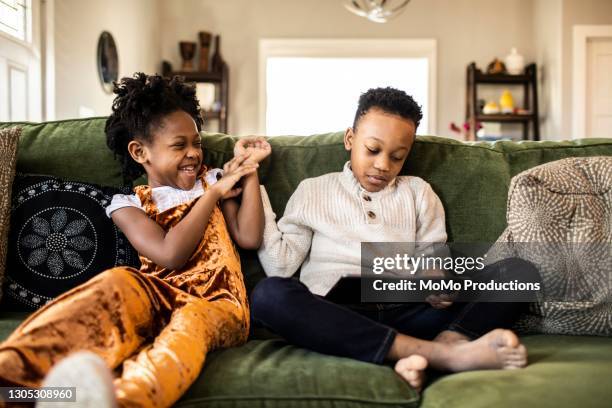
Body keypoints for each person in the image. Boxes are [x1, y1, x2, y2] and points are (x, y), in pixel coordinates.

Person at [0, 73, 271, 407]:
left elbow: (249, 236)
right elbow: (169, 254)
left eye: (197, 143)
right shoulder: (127, 205)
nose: (193, 154)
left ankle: (119, 401)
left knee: (189, 323)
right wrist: (213, 194)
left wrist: (249, 169)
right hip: (157, 298)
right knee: (118, 281)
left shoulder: (212, 181)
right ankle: (9, 386)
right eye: (179, 145)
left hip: (217, 306)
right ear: (140, 152)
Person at [251, 87, 535, 392]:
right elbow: (280, 266)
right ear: (350, 139)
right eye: (373, 150)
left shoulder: (418, 192)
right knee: (269, 295)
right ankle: (442, 356)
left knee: (519, 273)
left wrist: (436, 281)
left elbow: (431, 254)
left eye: (397, 157)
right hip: (340, 313)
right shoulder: (313, 190)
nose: (383, 165)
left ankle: (449, 342)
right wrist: (254, 186)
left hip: (408, 308)